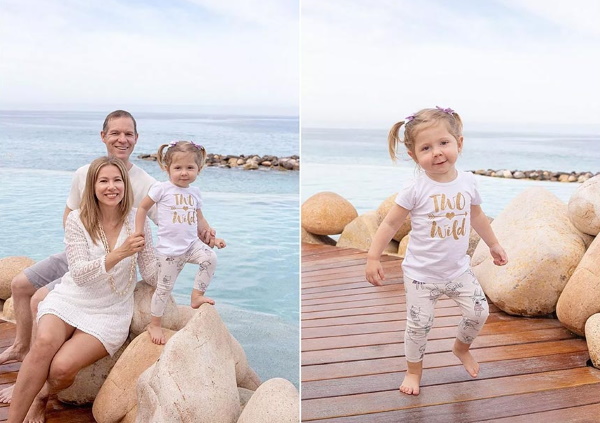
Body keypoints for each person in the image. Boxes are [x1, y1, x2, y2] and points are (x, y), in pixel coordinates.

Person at [0, 109, 179, 404]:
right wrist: (78, 240)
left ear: (136, 138)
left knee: (38, 300)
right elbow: (70, 212)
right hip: (79, 248)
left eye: (128, 134)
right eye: (115, 133)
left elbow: (169, 223)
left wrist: (199, 231)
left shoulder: (147, 183)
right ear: (103, 136)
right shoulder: (86, 172)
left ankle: (35, 392)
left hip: (110, 261)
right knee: (20, 285)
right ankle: (22, 348)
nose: (122, 139)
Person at [365, 106, 508, 396]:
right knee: (419, 326)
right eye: (426, 147)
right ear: (414, 155)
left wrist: (493, 244)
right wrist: (373, 257)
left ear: (459, 143)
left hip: (458, 271)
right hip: (421, 275)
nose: (437, 152)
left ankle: (461, 348)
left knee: (479, 312)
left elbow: (477, 217)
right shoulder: (415, 188)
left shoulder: (467, 181)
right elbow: (391, 223)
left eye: (444, 143)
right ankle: (413, 371)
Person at [8, 156, 158, 423]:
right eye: (104, 181)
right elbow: (79, 274)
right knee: (43, 344)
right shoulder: (78, 220)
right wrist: (121, 253)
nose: (111, 186)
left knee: (61, 370)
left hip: (110, 311)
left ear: (126, 184)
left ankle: (42, 396)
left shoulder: (138, 220)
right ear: (92, 186)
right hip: (72, 298)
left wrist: (175, 255)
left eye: (117, 180)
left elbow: (150, 273)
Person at [135, 140, 225, 345]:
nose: (184, 173)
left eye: (190, 168)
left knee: (210, 258)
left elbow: (200, 219)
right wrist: (139, 232)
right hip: (169, 251)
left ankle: (196, 296)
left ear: (198, 169)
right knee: (164, 289)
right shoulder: (161, 189)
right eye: (178, 168)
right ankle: (154, 323)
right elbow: (142, 208)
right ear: (167, 169)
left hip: (191, 245)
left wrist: (212, 236)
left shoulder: (195, 193)